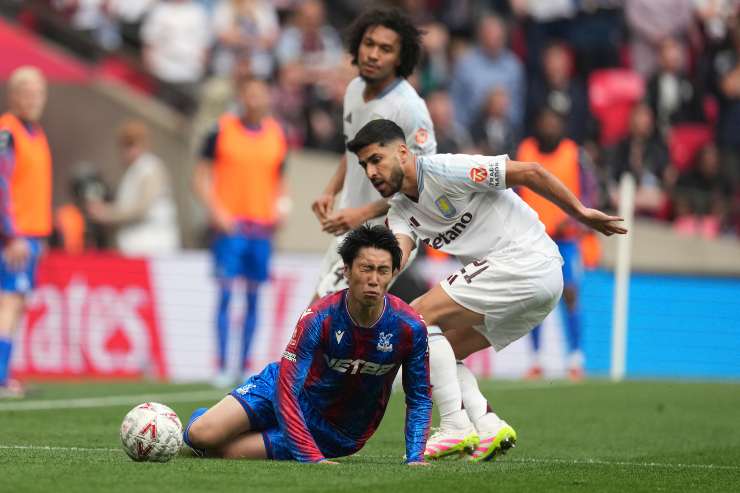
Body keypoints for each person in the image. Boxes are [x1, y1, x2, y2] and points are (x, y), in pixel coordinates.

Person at [346, 119, 626, 462]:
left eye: (376, 160)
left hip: (527, 261)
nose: (371, 172)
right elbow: (397, 257)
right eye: (364, 165)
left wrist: (580, 213)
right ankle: (487, 423)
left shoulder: (447, 170)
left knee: (416, 318)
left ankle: (454, 425)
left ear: (402, 152)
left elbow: (531, 172)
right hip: (528, 286)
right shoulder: (402, 211)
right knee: (432, 351)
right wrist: (368, 282)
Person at [182, 225, 431, 465]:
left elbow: (419, 397)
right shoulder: (319, 318)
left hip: (335, 431)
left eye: (383, 271)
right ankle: (201, 420)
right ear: (346, 270)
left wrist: (415, 458)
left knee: (226, 452)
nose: (374, 279)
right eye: (366, 268)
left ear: (393, 273)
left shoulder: (410, 327)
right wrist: (311, 457)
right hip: (281, 389)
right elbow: (287, 388)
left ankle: (234, 429)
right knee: (201, 435)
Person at [311, 6, 436, 298]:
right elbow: (354, 150)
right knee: (333, 317)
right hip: (351, 228)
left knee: (321, 313)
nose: (373, 54)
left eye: (385, 49)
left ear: (400, 58)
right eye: (369, 44)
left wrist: (362, 213)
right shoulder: (354, 90)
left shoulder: (410, 110)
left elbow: (421, 184)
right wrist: (330, 191)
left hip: (387, 235)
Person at [193, 78, 289, 387]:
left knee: (253, 297)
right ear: (241, 97)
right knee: (225, 294)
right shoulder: (220, 130)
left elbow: (280, 179)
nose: (255, 100)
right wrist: (216, 211)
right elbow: (200, 176)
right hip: (230, 227)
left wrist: (281, 207)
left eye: (260, 94)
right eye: (250, 94)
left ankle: (245, 364)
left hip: (261, 228)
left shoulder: (276, 134)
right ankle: (222, 365)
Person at [517, 107, 599, 381]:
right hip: (533, 238)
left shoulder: (574, 153)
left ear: (562, 126)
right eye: (545, 122)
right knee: (533, 296)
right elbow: (514, 190)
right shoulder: (525, 150)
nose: (549, 127)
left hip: (566, 239)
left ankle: (575, 358)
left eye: (554, 122)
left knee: (570, 294)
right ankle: (536, 359)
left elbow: (589, 192)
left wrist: (575, 219)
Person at [0, 67, 52, 398]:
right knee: (8, 302)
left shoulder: (36, 133)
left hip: (32, 234)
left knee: (16, 304)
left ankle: (5, 373)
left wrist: (38, 236)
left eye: (38, 93)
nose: (33, 100)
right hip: (14, 236)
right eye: (26, 93)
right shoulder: (8, 131)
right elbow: (1, 183)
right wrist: (12, 234)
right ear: (14, 95)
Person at [87, 120, 180, 256]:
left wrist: (106, 213)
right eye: (126, 145)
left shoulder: (150, 167)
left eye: (133, 144)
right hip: (135, 246)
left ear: (144, 144)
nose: (129, 150)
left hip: (153, 245)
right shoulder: (133, 170)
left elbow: (142, 208)